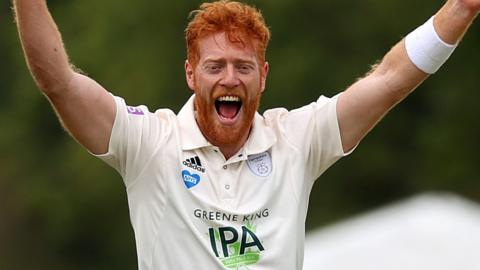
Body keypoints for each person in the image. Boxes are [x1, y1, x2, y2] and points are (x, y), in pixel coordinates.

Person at [13, 0, 479, 269]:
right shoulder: (148, 143)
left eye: (244, 67)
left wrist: (460, 7)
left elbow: (389, 79)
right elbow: (58, 79)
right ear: (191, 74)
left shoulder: (298, 138)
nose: (230, 79)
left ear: (263, 76)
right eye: (215, 66)